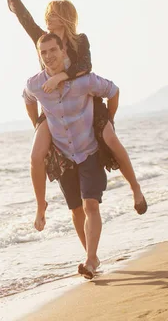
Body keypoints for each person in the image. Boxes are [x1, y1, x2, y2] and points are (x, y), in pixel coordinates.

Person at [1, 0, 147, 216]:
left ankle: (135, 188)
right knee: (36, 153)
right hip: (53, 106)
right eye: (47, 13)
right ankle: (41, 206)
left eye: (53, 13)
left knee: (110, 137)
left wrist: (62, 77)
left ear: (65, 17)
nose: (47, 17)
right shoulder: (42, 39)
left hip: (86, 100)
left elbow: (85, 66)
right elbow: (20, 13)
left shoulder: (80, 41)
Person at [23, 32, 119, 278]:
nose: (49, 56)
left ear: (63, 51)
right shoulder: (35, 84)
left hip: (89, 150)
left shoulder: (83, 80)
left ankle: (89, 260)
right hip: (64, 155)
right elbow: (27, 98)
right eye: (43, 52)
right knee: (76, 209)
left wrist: (108, 120)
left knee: (91, 205)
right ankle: (92, 257)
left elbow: (113, 90)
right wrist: (38, 124)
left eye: (53, 50)